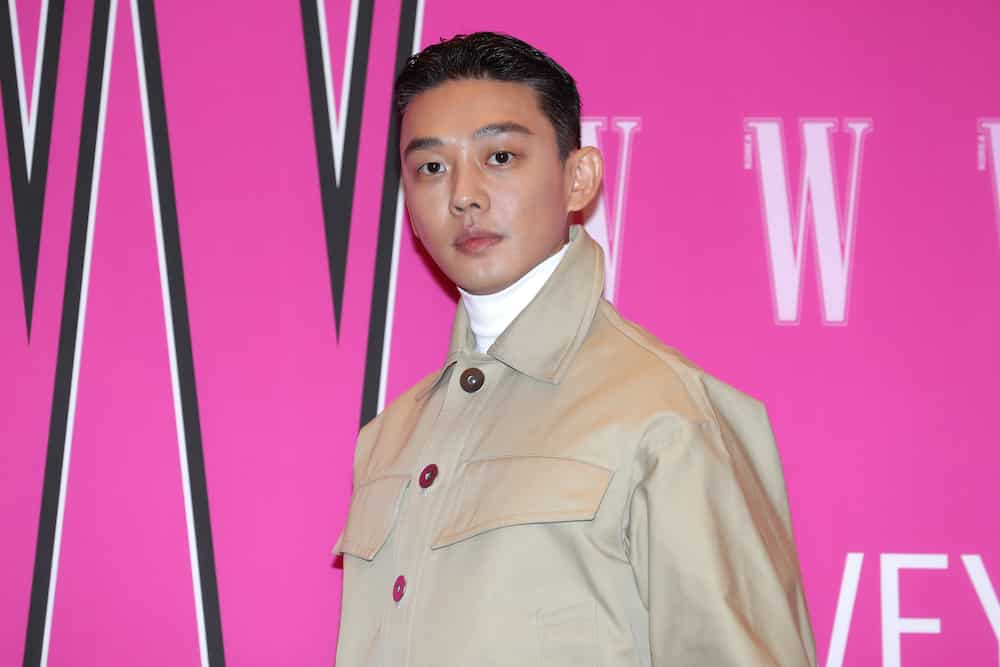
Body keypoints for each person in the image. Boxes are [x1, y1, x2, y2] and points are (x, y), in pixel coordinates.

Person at [333, 31, 816, 666]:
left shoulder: (670, 415)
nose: (463, 195)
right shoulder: (389, 438)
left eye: (500, 157)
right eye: (431, 167)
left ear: (579, 177)